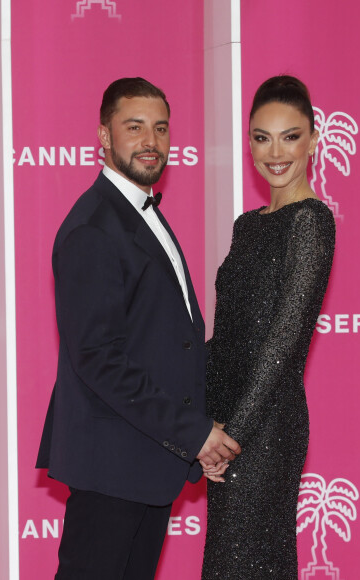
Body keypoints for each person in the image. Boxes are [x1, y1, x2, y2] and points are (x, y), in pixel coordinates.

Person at [36, 77, 240, 580]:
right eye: (134, 127)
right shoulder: (93, 228)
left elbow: (164, 342)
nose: (151, 141)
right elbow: (100, 359)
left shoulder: (139, 213)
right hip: (111, 466)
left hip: (147, 459)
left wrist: (198, 434)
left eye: (160, 128)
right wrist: (194, 433)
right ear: (104, 137)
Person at [201, 75, 336, 579]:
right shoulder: (247, 224)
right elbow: (229, 336)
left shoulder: (311, 222)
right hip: (227, 424)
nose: (274, 152)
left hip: (267, 427)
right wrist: (200, 424)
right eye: (262, 137)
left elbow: (283, 341)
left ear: (313, 140)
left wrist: (231, 436)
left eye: (290, 136)